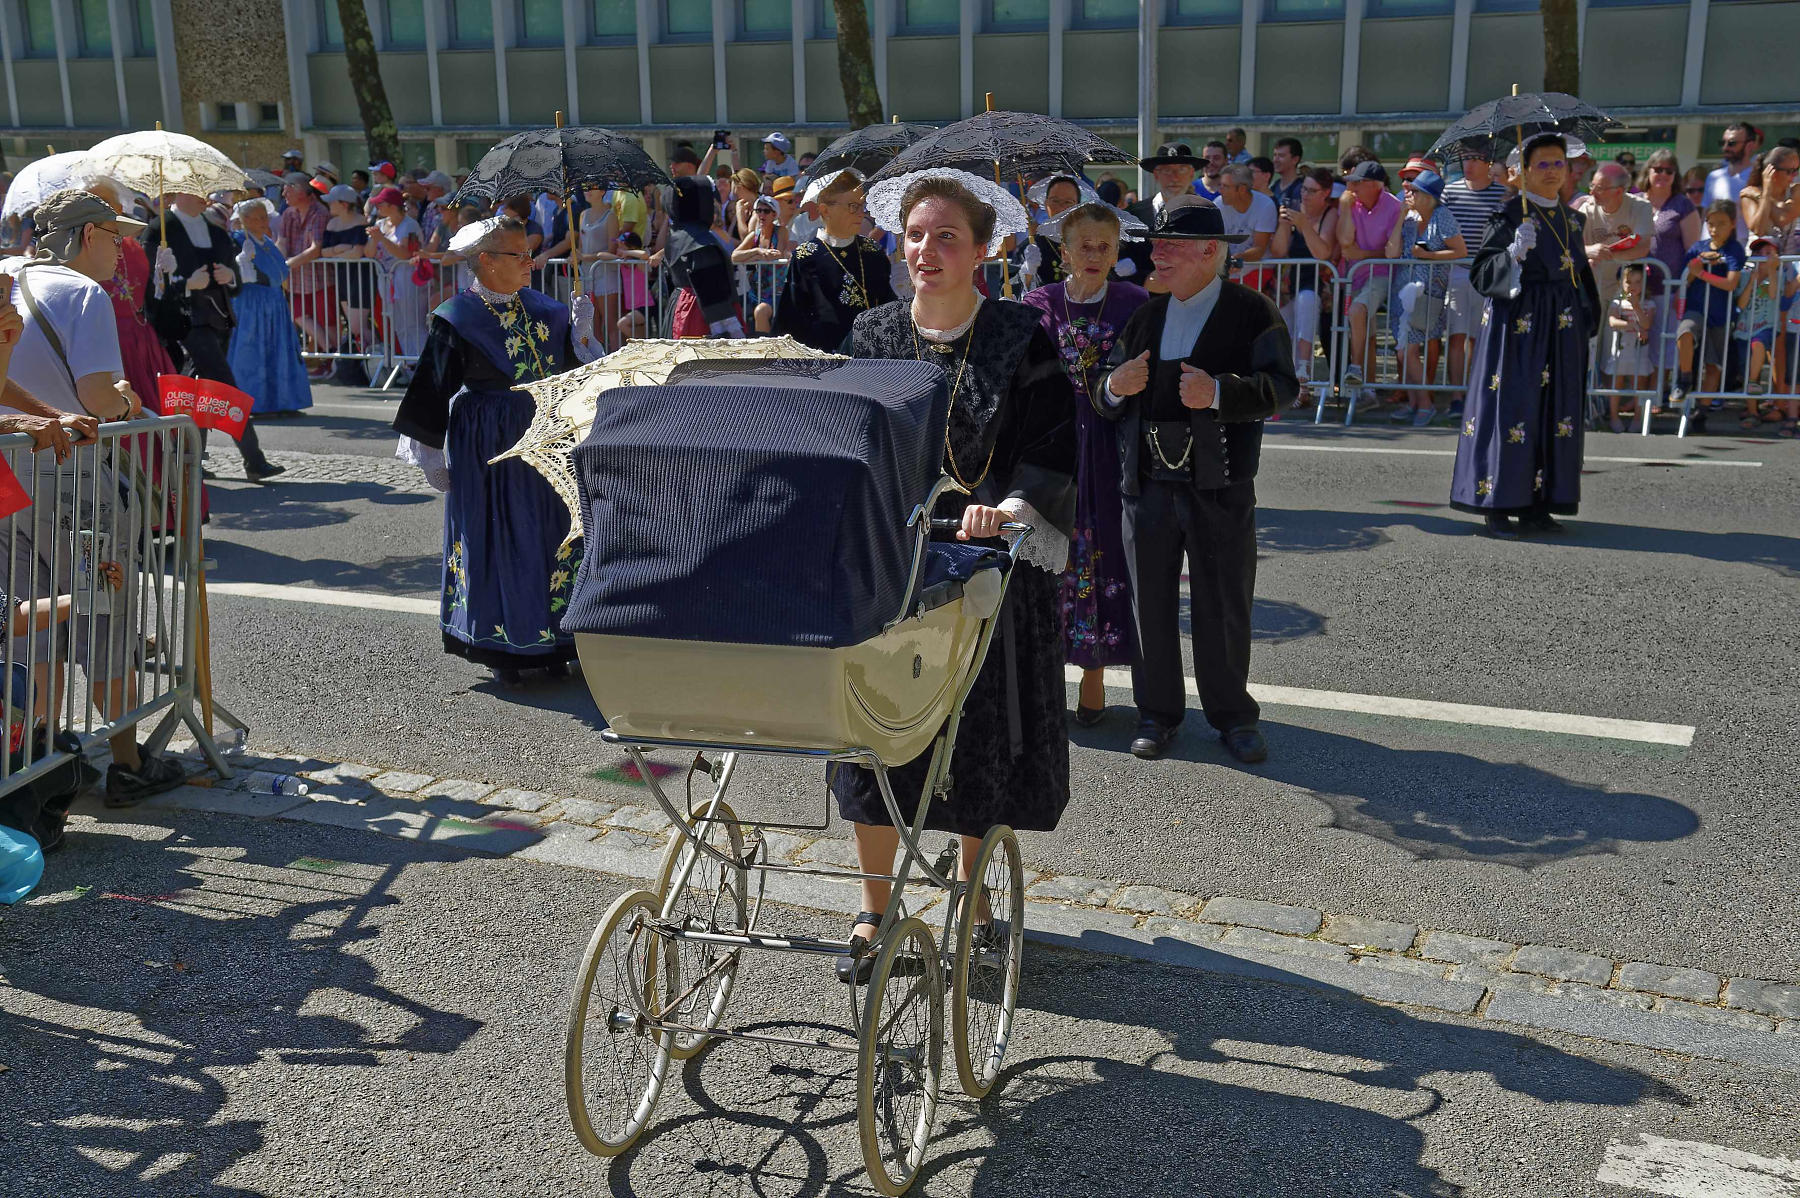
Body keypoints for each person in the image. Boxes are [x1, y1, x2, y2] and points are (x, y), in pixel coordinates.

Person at [830, 167, 1075, 984]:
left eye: (946, 237)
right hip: (889, 569)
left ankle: (968, 894)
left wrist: (1006, 508)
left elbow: (1051, 447)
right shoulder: (869, 335)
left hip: (985, 569)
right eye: (914, 235)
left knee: (977, 731)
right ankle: (874, 907)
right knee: (872, 735)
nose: (925, 251)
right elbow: (847, 445)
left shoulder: (1018, 333)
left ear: (983, 251)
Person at [0, 189, 189, 805]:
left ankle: (43, 752)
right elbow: (99, 398)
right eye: (115, 234)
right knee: (102, 608)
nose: (123, 247)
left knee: (27, 613)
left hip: (9, 470)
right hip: (70, 472)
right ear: (87, 236)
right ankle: (127, 761)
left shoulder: (5, 276)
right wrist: (132, 401)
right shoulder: (82, 293)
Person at [1098, 199, 1298, 763]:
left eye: (1171, 246)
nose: (1156, 255)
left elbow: (1284, 386)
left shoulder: (1252, 312)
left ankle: (1233, 714)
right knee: (1149, 605)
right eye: (1156, 245)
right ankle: (1156, 713)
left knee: (1224, 600)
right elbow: (1102, 395)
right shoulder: (1145, 316)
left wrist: (1220, 393)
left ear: (1210, 252)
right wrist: (1115, 384)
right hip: (1148, 481)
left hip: (1220, 482)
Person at [391, 214, 603, 686]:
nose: (531, 262)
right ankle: (507, 645)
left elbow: (576, 373)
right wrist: (431, 458)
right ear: (485, 261)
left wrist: (581, 334)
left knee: (554, 534)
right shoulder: (457, 318)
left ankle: (563, 636)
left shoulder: (547, 309)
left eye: (531, 252)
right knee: (504, 536)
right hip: (489, 445)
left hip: (547, 439)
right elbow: (431, 390)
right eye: (518, 255)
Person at [1021, 203, 1148, 725]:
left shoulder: (1136, 303)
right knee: (1049, 561)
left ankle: (1095, 678)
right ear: (1063, 249)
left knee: (1107, 557)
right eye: (1084, 245)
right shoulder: (1037, 302)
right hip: (1054, 447)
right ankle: (1044, 680)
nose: (1094, 255)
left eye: (1105, 246)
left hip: (1112, 445)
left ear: (1117, 250)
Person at [1449, 133, 1601, 539]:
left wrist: (1586, 318)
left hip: (1560, 328)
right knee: (1510, 407)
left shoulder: (1574, 219)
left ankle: (1539, 503)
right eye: (1543, 164)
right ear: (1524, 171)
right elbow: (1482, 273)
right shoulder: (1508, 215)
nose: (1552, 171)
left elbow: (1578, 274)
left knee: (1553, 411)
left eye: (1558, 164)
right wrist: (1512, 254)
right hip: (1517, 325)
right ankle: (1496, 504)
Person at [146, 191, 282, 481]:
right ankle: (253, 459)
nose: (202, 199)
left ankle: (192, 460)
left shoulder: (214, 230)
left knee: (201, 392)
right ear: (179, 194)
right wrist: (184, 284)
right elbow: (152, 284)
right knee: (224, 385)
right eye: (193, 193)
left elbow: (233, 277)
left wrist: (229, 277)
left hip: (217, 318)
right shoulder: (160, 228)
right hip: (183, 322)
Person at [773, 169, 895, 352]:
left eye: (862, 206)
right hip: (823, 360)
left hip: (872, 358)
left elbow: (887, 305)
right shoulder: (806, 257)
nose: (861, 214)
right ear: (825, 210)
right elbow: (792, 317)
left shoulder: (873, 252)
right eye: (853, 206)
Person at [1388, 169, 1466, 425]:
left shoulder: (1443, 216)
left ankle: (1425, 404)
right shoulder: (1408, 217)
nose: (1409, 193)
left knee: (1408, 351)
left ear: (1429, 196)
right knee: (1403, 353)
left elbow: (1459, 251)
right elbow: (1391, 253)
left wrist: (1430, 256)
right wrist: (1400, 216)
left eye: (1416, 190)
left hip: (1428, 294)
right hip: (1402, 291)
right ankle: (1414, 403)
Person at [227, 198, 312, 415]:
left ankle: (283, 400)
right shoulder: (238, 241)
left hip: (274, 304)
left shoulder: (266, 241)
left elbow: (280, 270)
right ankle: (253, 402)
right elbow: (238, 273)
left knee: (279, 351)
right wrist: (242, 263)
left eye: (265, 216)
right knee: (253, 352)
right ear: (245, 220)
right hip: (252, 306)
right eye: (258, 217)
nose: (265, 221)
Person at [1441, 143, 1512, 395]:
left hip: (1486, 272)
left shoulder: (1503, 194)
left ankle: (1474, 391)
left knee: (1478, 336)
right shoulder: (1449, 192)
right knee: (1456, 336)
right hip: (1456, 270)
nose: (1468, 165)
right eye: (1465, 159)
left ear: (1488, 163)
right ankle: (1457, 394)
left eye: (1474, 159)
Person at [1669, 200, 1746, 415]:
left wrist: (1702, 273)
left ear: (1732, 224)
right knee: (1685, 332)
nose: (1714, 229)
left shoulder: (1734, 249)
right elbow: (1685, 280)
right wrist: (1694, 272)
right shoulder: (1698, 248)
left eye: (1721, 224)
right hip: (1696, 308)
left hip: (1720, 314)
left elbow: (1731, 283)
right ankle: (1684, 379)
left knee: (1713, 366)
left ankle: (1701, 412)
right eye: (1711, 224)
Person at [1338, 160, 1402, 398]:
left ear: (1376, 185)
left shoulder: (1394, 206)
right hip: (1354, 275)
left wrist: (1363, 254)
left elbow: (1391, 251)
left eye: (1358, 183)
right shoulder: (1350, 204)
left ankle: (1355, 368)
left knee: (1357, 311)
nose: (1351, 188)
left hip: (1382, 274)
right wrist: (1344, 209)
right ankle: (1369, 388)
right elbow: (1345, 244)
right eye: (1351, 182)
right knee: (1368, 333)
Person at [1271, 165, 1338, 392]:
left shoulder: (1331, 213)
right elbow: (1279, 252)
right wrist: (1283, 225)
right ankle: (1285, 382)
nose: (1305, 195)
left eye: (1311, 191)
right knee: (1281, 324)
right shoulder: (1293, 209)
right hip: (1290, 280)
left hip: (1317, 281)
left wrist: (1304, 226)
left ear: (1325, 193)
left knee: (1306, 307)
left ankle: (1303, 375)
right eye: (1303, 190)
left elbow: (1323, 253)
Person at [1641, 150, 1700, 395]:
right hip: (1636, 287)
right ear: (1649, 171)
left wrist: (1683, 286)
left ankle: (1657, 395)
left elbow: (1693, 250)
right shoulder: (1636, 200)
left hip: (1670, 288)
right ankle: (1634, 397)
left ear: (1675, 176)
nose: (1663, 174)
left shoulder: (1683, 205)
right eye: (1658, 169)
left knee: (1663, 343)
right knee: (1639, 342)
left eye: (1669, 170)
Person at [1574, 163, 1653, 335]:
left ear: (1618, 191)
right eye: (1592, 185)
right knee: (1592, 342)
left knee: (1615, 349)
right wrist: (1590, 250)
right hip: (1594, 287)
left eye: (1599, 188)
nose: (1592, 192)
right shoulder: (1587, 208)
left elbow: (1643, 248)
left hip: (1626, 289)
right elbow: (1572, 247)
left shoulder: (1641, 207)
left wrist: (1608, 254)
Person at [1123, 142, 1206, 286]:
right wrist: (1145, 280)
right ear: (1156, 174)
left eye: (1182, 170)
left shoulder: (1206, 214)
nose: (1174, 177)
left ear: (1192, 174)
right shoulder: (1133, 215)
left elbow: (1222, 263)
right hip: (1145, 301)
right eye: (1167, 170)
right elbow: (1116, 264)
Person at [276, 173, 332, 369]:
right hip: (296, 279)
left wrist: (287, 264)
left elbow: (316, 249)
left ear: (303, 191)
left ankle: (332, 360)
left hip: (321, 278)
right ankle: (331, 356)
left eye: (288, 187)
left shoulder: (320, 212)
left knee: (327, 322)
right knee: (298, 315)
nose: (284, 192)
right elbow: (281, 242)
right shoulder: (288, 213)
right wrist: (277, 261)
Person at [319, 183, 374, 374]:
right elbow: (324, 252)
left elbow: (358, 253)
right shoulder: (332, 224)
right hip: (342, 277)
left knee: (359, 326)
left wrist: (338, 252)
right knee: (353, 326)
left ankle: (377, 361)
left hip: (360, 277)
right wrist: (340, 250)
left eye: (332, 202)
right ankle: (366, 366)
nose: (329, 205)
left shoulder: (361, 222)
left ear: (343, 204)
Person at [369, 185, 428, 361]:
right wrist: (374, 239)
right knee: (399, 325)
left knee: (414, 324)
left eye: (380, 203)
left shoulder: (410, 224)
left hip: (408, 279)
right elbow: (369, 253)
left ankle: (423, 365)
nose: (377, 207)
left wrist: (381, 239)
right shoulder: (380, 224)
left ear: (393, 206)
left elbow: (405, 253)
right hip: (387, 280)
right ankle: (410, 365)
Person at [1602, 263, 1656, 431]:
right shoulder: (1617, 303)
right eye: (1629, 282)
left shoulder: (1649, 304)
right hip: (1620, 351)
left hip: (1639, 352)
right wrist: (1634, 326)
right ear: (1621, 284)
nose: (1633, 286)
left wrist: (1636, 306)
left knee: (1639, 385)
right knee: (1615, 385)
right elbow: (1613, 321)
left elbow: (1647, 324)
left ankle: (1637, 419)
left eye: (1638, 282)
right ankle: (1614, 417)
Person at [729, 194, 790, 334]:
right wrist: (757, 251)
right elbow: (734, 256)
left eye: (766, 211)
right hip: (755, 291)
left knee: (761, 311)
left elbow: (777, 254)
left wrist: (752, 256)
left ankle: (765, 353)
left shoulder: (781, 231)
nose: (762, 214)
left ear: (774, 214)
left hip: (776, 291)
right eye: (758, 210)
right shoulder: (754, 235)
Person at [1705, 122, 1760, 237]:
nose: (1725, 148)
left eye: (1731, 143)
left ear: (1749, 145)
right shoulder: (1713, 177)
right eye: (1722, 143)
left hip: (1740, 247)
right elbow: (1704, 214)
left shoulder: (1757, 178)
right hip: (1710, 247)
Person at [1269, 138, 1306, 211]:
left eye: (1281, 156)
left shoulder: (1303, 189)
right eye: (1274, 155)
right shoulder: (1273, 187)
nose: (1275, 160)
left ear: (1295, 159)